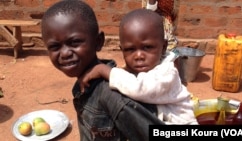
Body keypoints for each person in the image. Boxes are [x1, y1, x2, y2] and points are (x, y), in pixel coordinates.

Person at [41, 0, 164, 141]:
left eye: (74, 42)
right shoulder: (85, 83)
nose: (65, 53)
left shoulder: (113, 96)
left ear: (98, 42)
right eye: (55, 47)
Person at [81, 9, 198, 125]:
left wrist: (104, 70)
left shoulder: (168, 72)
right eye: (130, 49)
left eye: (147, 47)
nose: (139, 56)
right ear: (122, 50)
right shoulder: (136, 69)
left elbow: (139, 88)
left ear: (163, 47)